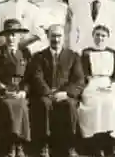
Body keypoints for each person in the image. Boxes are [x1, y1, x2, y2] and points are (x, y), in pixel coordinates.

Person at [27, 24, 86, 157]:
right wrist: (49, 93)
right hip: (45, 94)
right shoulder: (39, 57)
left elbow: (79, 80)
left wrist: (66, 93)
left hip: (65, 94)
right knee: (43, 104)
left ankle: (70, 145)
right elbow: (37, 77)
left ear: (64, 37)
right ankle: (44, 145)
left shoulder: (73, 56)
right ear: (48, 37)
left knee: (70, 105)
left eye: (59, 36)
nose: (56, 39)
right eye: (53, 36)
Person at [77, 25, 115, 156]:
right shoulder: (86, 53)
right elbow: (83, 73)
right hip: (92, 83)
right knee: (96, 103)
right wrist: (92, 83)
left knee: (112, 102)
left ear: (108, 37)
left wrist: (112, 86)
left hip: (109, 84)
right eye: (97, 35)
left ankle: (111, 143)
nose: (100, 38)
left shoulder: (114, 53)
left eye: (103, 35)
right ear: (93, 36)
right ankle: (96, 144)